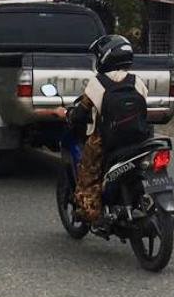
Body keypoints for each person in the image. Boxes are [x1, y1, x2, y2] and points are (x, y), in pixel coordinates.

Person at [55, 35, 149, 224]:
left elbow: (81, 114)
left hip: (107, 142)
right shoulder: (136, 81)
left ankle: (90, 212)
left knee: (87, 175)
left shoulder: (98, 83)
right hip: (139, 140)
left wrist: (64, 114)